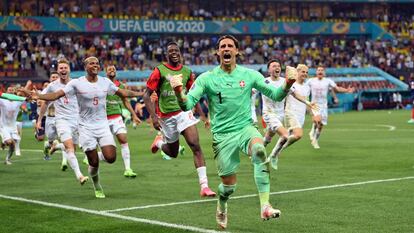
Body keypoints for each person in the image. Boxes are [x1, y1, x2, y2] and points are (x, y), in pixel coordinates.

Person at [169, 35, 296, 229]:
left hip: (245, 128)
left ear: (237, 51)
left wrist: (287, 83)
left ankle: (265, 205)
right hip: (222, 136)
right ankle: (222, 203)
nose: (226, 49)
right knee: (228, 187)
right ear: (218, 52)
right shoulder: (207, 78)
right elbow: (187, 104)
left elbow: (276, 95)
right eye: (222, 46)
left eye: (230, 46)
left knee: (260, 150)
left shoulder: (250, 75)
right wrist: (179, 91)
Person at [29, 56, 143, 198]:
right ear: (85, 67)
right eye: (91, 63)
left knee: (111, 157)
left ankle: (92, 159)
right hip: (85, 127)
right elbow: (57, 95)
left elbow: (123, 93)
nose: (95, 65)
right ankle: (97, 186)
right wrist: (39, 95)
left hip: (102, 126)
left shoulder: (105, 82)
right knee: (94, 162)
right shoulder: (77, 83)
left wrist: (142, 93)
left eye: (97, 63)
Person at [143, 41, 216, 197]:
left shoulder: (187, 72)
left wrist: (202, 116)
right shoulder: (159, 71)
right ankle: (159, 142)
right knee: (173, 152)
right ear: (166, 54)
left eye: (176, 50)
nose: (174, 53)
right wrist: (154, 118)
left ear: (180, 53)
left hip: (184, 113)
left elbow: (193, 94)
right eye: (171, 51)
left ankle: (204, 186)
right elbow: (146, 95)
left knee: (195, 145)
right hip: (166, 117)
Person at [33, 59, 89, 184]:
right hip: (61, 120)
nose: (63, 70)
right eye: (61, 68)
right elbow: (44, 102)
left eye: (65, 67)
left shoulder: (76, 83)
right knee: (69, 148)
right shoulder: (52, 86)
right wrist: (39, 120)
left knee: (73, 148)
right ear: (58, 71)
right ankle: (79, 176)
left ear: (69, 69)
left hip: (76, 119)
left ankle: (56, 147)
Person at [262, 62, 318, 169]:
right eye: (274, 66)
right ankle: (274, 155)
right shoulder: (264, 81)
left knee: (269, 136)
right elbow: (251, 91)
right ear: (269, 70)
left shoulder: (284, 81)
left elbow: (295, 94)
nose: (277, 67)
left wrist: (308, 103)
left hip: (280, 115)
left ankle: (258, 149)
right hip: (269, 113)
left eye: (278, 66)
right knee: (286, 135)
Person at [104, 65, 141, 177]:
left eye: (114, 69)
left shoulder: (120, 86)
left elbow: (126, 101)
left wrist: (134, 115)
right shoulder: (101, 84)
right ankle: (91, 156)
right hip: (103, 119)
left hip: (116, 117)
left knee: (123, 140)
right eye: (109, 69)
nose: (112, 70)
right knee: (109, 152)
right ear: (105, 72)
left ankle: (128, 169)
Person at [308, 66, 354, 149]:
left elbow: (337, 88)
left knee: (321, 125)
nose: (320, 71)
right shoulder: (311, 81)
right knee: (317, 119)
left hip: (324, 106)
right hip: (314, 105)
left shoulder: (328, 81)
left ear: (324, 73)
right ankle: (312, 133)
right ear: (316, 72)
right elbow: (304, 88)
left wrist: (347, 90)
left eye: (322, 70)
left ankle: (315, 139)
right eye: (318, 70)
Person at [0, 86, 28, 165]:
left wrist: (25, 90)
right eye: (9, 90)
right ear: (6, 91)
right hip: (3, 126)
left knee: (13, 145)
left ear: (14, 92)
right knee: (10, 142)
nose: (11, 91)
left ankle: (7, 159)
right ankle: (5, 142)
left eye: (12, 90)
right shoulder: (2, 100)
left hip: (13, 126)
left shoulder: (18, 100)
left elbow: (28, 98)